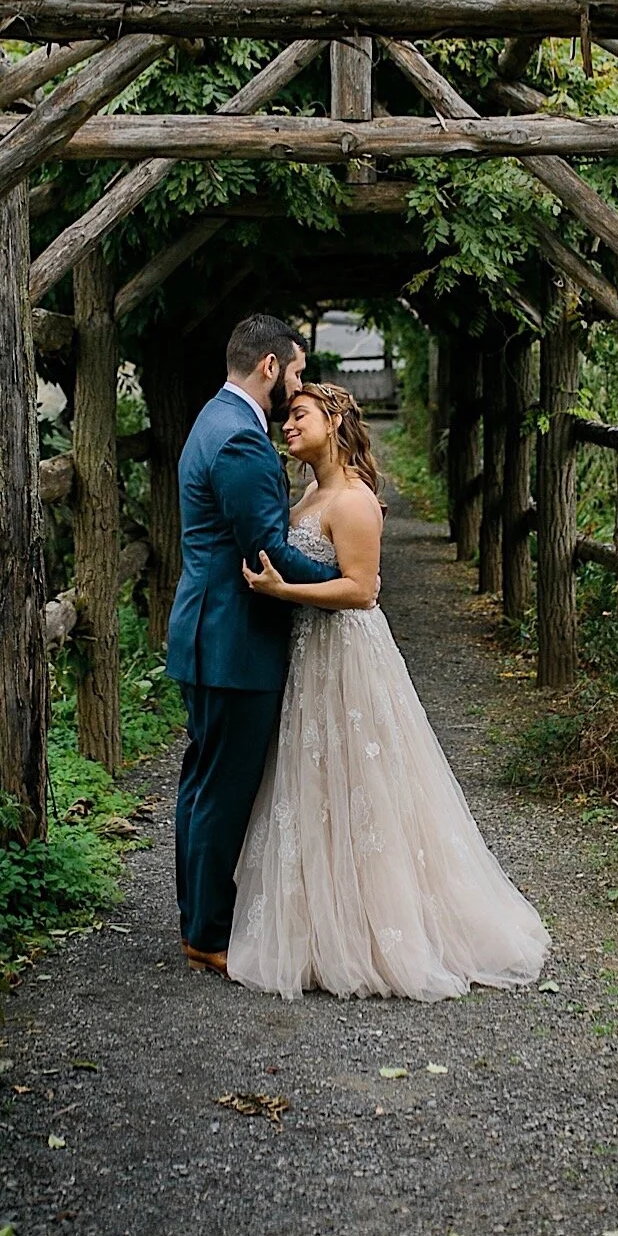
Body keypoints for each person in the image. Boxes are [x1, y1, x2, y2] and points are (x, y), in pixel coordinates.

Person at [228, 381, 552, 1002]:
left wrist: (283, 593)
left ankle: (381, 928)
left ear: (335, 420)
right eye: (286, 417)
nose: (287, 425)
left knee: (365, 782)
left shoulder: (351, 500)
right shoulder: (312, 491)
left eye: (299, 416)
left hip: (347, 653)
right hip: (310, 654)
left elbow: (362, 591)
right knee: (317, 781)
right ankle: (324, 926)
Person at [165, 314, 340, 973]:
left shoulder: (213, 419)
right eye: (295, 370)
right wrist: (344, 579)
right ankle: (209, 931)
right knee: (222, 788)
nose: (297, 383)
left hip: (211, 635)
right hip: (232, 643)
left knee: (203, 783)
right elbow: (266, 548)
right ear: (269, 365)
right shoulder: (240, 439)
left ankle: (201, 918)